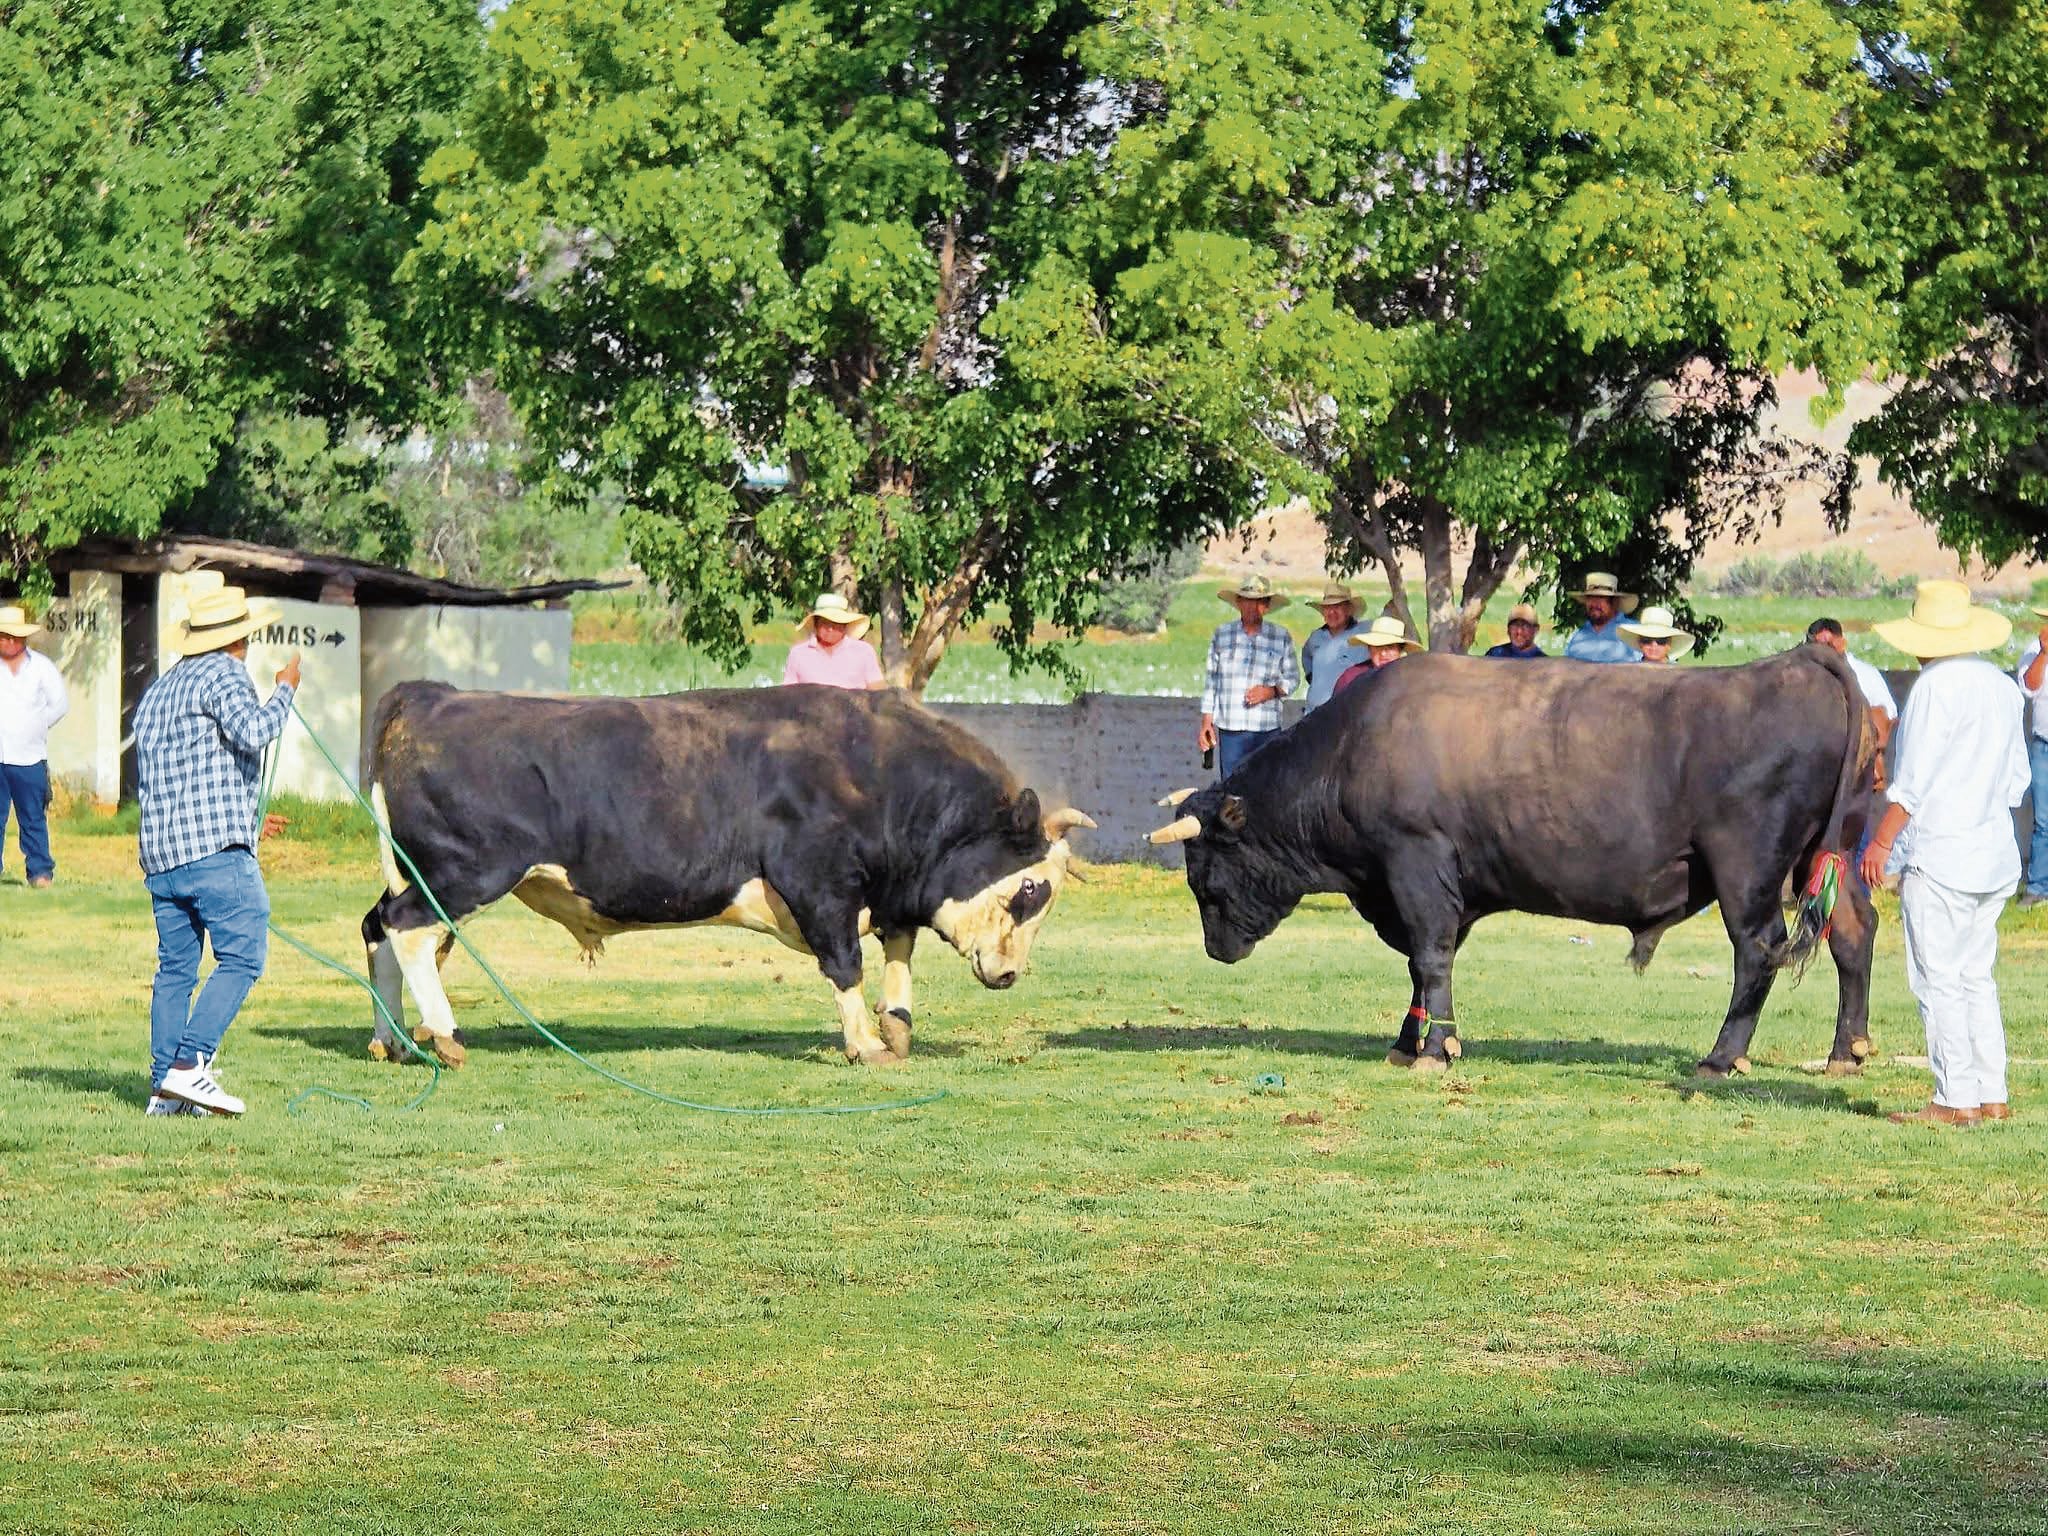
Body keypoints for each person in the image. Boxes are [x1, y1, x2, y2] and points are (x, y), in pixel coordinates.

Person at [1861, 580, 2028, 1127]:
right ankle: (1991, 1091)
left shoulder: (1934, 687)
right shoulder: (2001, 685)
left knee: (1937, 976)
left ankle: (1954, 1097)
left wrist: (1882, 842)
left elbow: (1913, 781)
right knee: (1976, 975)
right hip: (1993, 850)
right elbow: (2017, 781)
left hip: (1943, 852)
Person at [133, 586, 301, 1118]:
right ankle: (190, 1066)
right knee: (244, 957)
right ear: (240, 640)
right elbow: (253, 732)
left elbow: (186, 773)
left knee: (176, 972)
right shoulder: (224, 673)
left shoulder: (160, 690)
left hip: (163, 856)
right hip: (213, 854)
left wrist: (247, 823)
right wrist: (285, 690)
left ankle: (164, 1091)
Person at [1199, 574, 1300, 776]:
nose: (1252, 607)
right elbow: (1212, 680)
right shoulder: (1222, 634)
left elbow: (1293, 678)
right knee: (1231, 790)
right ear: (1238, 603)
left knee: (1266, 788)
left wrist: (1270, 691)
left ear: (1267, 606)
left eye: (1259, 602)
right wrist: (1206, 722)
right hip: (1231, 727)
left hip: (1266, 728)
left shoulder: (1281, 637)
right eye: (1247, 601)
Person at [0, 604, 69, 888]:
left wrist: (36, 727)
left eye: (15, 636)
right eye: (5, 636)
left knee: (32, 818)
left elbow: (59, 705)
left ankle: (40, 872)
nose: (10, 641)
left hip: (29, 757)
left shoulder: (41, 667)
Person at [2010, 605, 2048, 906]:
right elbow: (2029, 687)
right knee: (2044, 820)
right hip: (2043, 745)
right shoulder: (2034, 650)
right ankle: (2037, 887)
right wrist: (2044, 653)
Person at [782, 594, 885, 689]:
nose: (830, 629)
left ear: (845, 626)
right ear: (816, 624)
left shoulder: (863, 651)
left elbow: (876, 689)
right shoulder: (798, 653)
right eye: (825, 623)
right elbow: (788, 694)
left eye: (835, 623)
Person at [1300, 581, 1367, 711]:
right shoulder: (1316, 638)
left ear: (1348, 610)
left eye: (1337, 607)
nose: (1332, 612)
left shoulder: (1363, 634)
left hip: (1349, 712)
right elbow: (1307, 660)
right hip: (1315, 713)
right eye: (1327, 608)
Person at [1331, 613, 1422, 697]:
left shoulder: (1412, 679)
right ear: (1369, 648)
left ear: (1400, 650)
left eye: (1390, 647)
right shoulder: (1351, 678)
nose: (1383, 653)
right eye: (1377, 646)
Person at [1562, 572, 1642, 663]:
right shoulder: (1579, 635)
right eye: (1590, 598)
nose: (1594, 603)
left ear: (1615, 602)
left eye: (1601, 598)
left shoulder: (1633, 631)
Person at [1617, 605, 1695, 664]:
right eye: (1647, 640)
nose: (1654, 645)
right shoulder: (1629, 672)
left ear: (1669, 644)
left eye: (1661, 641)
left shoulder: (1680, 675)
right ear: (1639, 642)